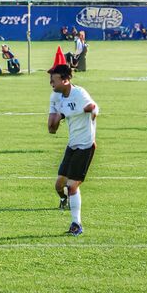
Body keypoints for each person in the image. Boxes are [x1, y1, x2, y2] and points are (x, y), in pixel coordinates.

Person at [47, 63, 99, 236]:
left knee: (72, 186)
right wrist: (55, 119)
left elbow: (93, 107)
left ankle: (76, 224)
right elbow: (51, 129)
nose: (51, 83)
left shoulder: (79, 93)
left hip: (85, 145)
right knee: (59, 185)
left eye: (53, 80)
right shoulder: (57, 97)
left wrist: (93, 112)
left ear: (65, 80)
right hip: (72, 145)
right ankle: (64, 200)